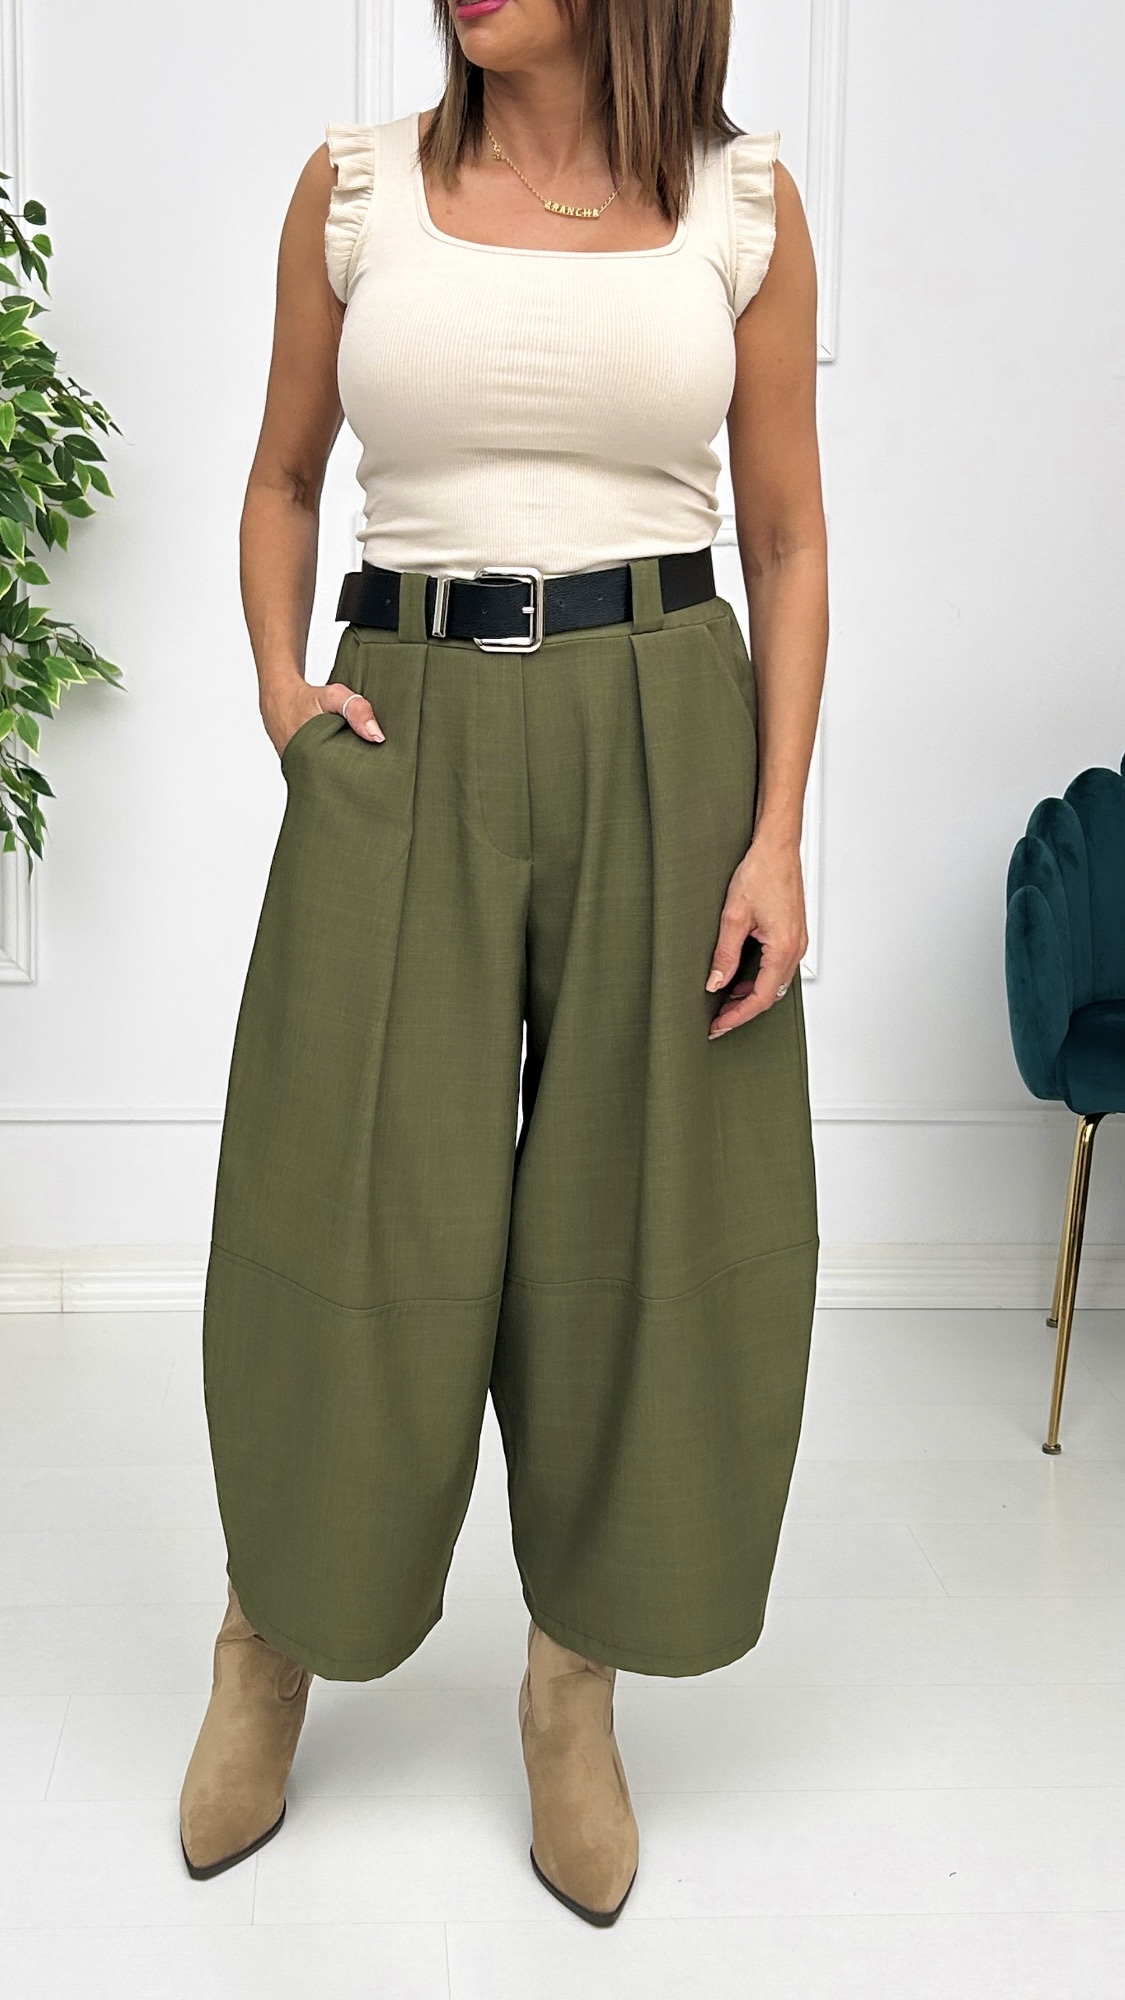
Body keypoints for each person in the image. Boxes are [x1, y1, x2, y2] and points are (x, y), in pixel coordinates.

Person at [178, 0, 825, 1928]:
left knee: (644, 1212)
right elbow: (283, 477)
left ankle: (572, 1684)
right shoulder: (354, 188)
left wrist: (775, 834)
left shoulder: (743, 203)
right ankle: (269, 1641)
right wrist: (283, 695)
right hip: (405, 715)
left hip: (663, 717)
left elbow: (786, 535)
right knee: (344, 1189)